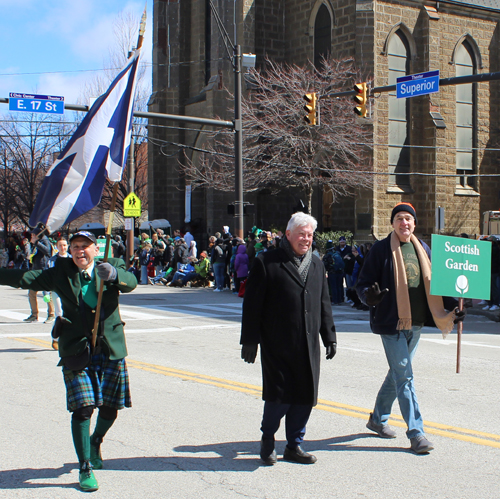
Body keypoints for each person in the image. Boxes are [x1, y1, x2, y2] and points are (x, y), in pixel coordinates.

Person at [0, 230, 137, 491]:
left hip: (109, 348)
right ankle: (85, 466)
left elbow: (130, 282)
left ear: (96, 249)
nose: (79, 251)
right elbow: (24, 278)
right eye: (75, 246)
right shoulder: (61, 271)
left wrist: (115, 275)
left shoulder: (111, 264)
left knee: (110, 408)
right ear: (69, 250)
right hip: (77, 349)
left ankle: (96, 440)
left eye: (85, 246)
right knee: (83, 408)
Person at [356, 202, 465, 454]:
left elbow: (435, 283)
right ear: (392, 223)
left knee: (397, 374)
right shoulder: (381, 250)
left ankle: (377, 419)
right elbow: (362, 283)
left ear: (414, 224)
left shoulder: (423, 248)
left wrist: (453, 309)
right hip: (391, 322)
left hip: (415, 323)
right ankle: (417, 433)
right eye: (400, 219)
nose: (405, 223)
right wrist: (368, 297)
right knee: (405, 375)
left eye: (409, 219)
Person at [240, 212, 337, 465]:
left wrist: (329, 336)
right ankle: (268, 439)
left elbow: (323, 303)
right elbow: (252, 306)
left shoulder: (317, 264)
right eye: (302, 234)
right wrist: (250, 340)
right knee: (279, 397)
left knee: (305, 397)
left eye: (310, 235)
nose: (306, 239)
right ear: (289, 234)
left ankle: (294, 445)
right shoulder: (267, 262)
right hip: (277, 344)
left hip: (308, 345)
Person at [24, 228, 55, 323]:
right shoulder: (36, 242)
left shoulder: (45, 240)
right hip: (35, 269)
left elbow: (47, 252)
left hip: (43, 270)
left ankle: (51, 314)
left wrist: (36, 242)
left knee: (47, 294)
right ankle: (34, 314)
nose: (32, 236)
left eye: (34, 234)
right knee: (31, 293)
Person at [47, 237, 70, 350]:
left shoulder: (72, 258)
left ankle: (69, 339)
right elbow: (49, 276)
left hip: (71, 290)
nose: (63, 248)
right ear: (56, 247)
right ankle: (56, 338)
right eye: (60, 245)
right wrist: (46, 292)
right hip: (57, 290)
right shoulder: (52, 260)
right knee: (59, 313)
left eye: (65, 245)